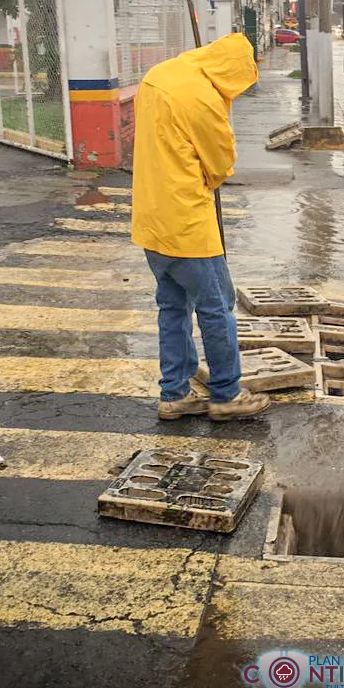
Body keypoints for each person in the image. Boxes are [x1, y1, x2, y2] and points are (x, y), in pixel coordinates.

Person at [131, 32, 271, 422]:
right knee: (216, 307)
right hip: (187, 223)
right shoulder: (203, 99)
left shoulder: (160, 75)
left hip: (151, 218)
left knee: (173, 305)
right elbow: (220, 163)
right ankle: (226, 394)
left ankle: (174, 394)